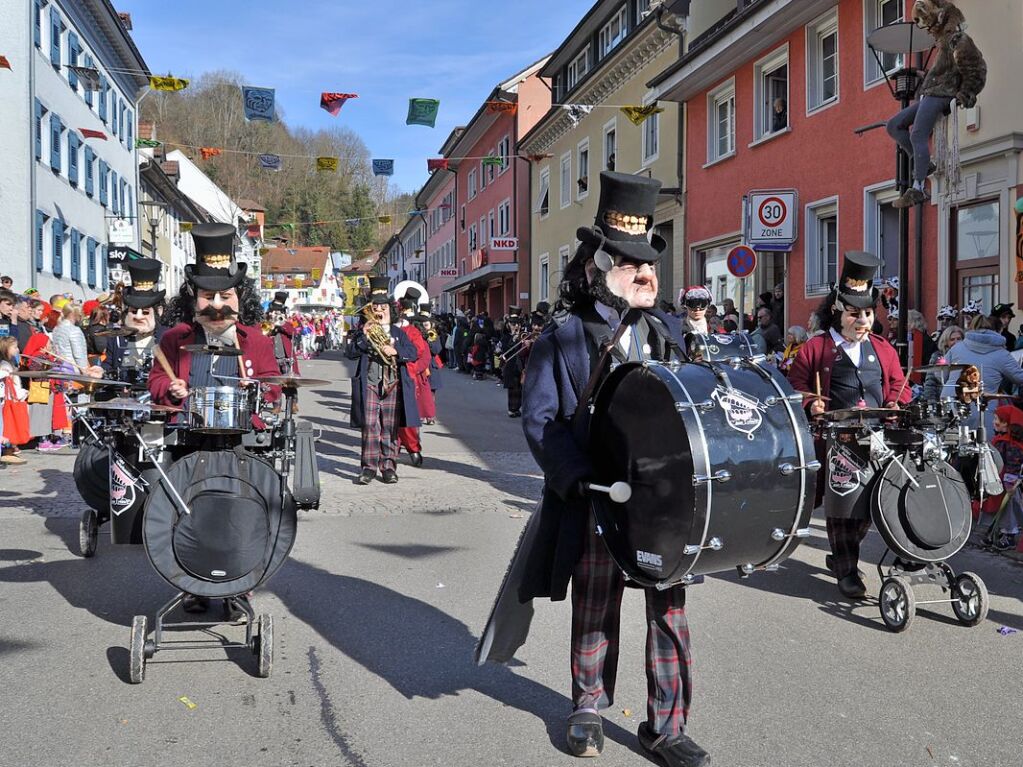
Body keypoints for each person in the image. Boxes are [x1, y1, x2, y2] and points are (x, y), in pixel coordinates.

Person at [518, 172, 708, 766]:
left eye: (651, 259)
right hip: (599, 495)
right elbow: (541, 419)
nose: (648, 272)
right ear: (602, 265)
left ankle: (666, 727)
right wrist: (572, 474)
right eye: (632, 262)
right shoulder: (565, 336)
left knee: (668, 612)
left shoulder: (670, 332)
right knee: (596, 605)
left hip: (665, 503)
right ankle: (588, 707)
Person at [789, 251, 912, 599]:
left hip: (876, 438)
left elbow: (901, 387)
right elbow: (793, 386)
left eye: (868, 314)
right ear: (837, 312)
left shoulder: (884, 349)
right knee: (843, 503)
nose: (863, 321)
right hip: (835, 439)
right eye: (855, 314)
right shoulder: (816, 348)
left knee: (871, 504)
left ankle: (844, 551)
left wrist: (893, 404)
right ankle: (847, 569)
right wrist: (810, 402)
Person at [149, 223, 281, 412]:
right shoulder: (174, 339)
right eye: (209, 297)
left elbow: (274, 385)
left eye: (225, 297)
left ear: (240, 298)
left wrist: (256, 388)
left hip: (241, 433)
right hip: (187, 428)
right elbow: (156, 380)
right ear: (194, 299)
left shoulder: (258, 342)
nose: (217, 305)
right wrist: (170, 388)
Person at [888, 0, 986, 209]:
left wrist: (965, 94)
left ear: (938, 19)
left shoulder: (958, 40)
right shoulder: (944, 42)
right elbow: (944, 72)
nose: (929, 31)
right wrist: (923, 76)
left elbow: (976, 69)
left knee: (917, 135)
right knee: (894, 125)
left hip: (943, 95)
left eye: (929, 26)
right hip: (932, 92)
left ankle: (918, 187)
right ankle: (923, 161)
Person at [348, 276, 419, 485]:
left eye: (383, 307)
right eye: (375, 307)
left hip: (393, 384)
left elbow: (412, 352)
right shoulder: (363, 332)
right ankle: (368, 468)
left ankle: (388, 466)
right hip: (370, 382)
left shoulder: (399, 333)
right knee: (370, 425)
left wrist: (395, 351)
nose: (379, 311)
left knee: (390, 426)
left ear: (390, 309)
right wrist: (363, 336)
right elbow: (350, 353)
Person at [941, 315, 1023, 434]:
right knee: (984, 446)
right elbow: (1020, 378)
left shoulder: (957, 348)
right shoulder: (1001, 354)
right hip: (981, 407)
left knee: (950, 445)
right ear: (995, 330)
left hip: (951, 402)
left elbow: (941, 373)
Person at [98, 259, 167, 390]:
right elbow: (108, 367)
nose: (139, 316)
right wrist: (100, 371)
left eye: (145, 312)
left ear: (159, 312)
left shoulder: (170, 338)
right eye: (134, 311)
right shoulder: (117, 338)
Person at [922, 325, 965, 399]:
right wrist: (931, 401)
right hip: (943, 398)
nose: (956, 342)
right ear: (946, 342)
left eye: (958, 339)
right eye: (952, 339)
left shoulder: (967, 355)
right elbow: (930, 382)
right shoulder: (937, 356)